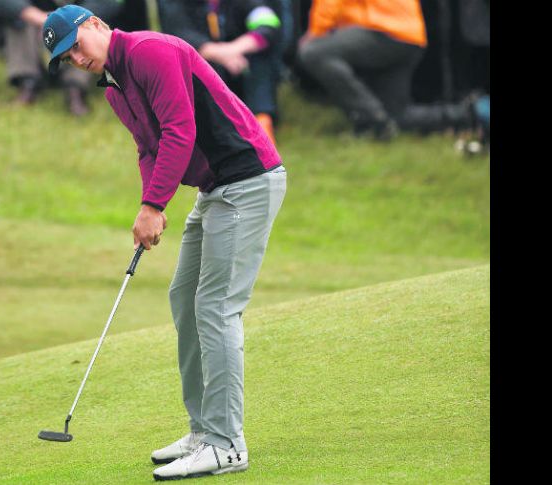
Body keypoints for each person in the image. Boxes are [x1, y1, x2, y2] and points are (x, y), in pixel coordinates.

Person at [42, 4, 287, 481]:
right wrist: (149, 203)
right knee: (184, 299)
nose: (77, 58)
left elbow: (180, 130)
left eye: (76, 45)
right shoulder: (115, 87)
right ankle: (203, 431)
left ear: (96, 24)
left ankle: (227, 444)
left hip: (248, 180)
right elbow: (149, 148)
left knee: (216, 307)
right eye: (67, 58)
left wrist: (154, 205)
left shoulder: (150, 51)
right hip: (215, 189)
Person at [297, 0, 488, 140]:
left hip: (382, 29)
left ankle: (372, 119)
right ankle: (470, 113)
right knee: (398, 115)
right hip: (410, 36)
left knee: (314, 53)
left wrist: (315, 32)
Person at [157, 0, 292, 146]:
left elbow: (267, 22)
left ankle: (262, 120)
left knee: (262, 55)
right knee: (188, 62)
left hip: (241, 66)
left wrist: (235, 49)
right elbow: (177, 32)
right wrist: (221, 54)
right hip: (201, 66)